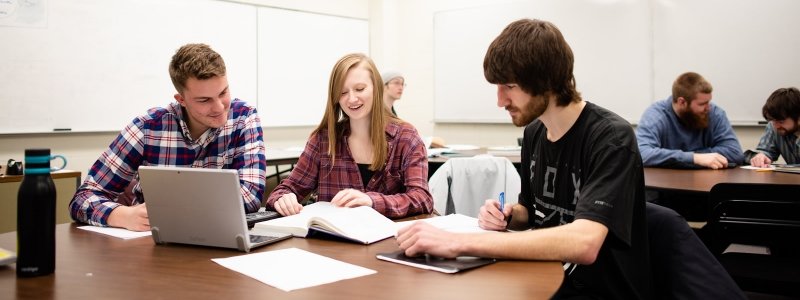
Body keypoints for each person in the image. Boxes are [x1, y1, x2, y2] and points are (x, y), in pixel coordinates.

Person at [396, 19, 652, 298]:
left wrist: (459, 243)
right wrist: (508, 216)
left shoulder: (611, 138)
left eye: (509, 85)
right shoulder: (535, 133)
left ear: (547, 82)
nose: (500, 100)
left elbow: (585, 243)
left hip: (601, 291)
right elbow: (530, 212)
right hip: (543, 278)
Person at [69, 43, 266, 232]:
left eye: (223, 92)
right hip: (152, 243)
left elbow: (250, 197)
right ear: (181, 100)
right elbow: (83, 198)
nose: (219, 107)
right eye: (204, 100)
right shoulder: (148, 127)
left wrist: (174, 211)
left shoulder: (243, 117)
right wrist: (123, 215)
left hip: (220, 238)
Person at [266, 53, 433, 219]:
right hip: (333, 243)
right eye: (342, 92)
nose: (352, 99)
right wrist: (283, 198)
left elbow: (422, 199)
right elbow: (284, 190)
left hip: (389, 242)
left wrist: (371, 201)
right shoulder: (323, 140)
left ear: (377, 88)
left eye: (360, 89)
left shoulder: (406, 138)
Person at [636, 72, 744, 169]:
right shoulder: (656, 116)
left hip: (706, 183)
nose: (708, 108)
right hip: (666, 185)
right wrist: (693, 158)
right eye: (702, 104)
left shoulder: (715, 113)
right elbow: (642, 154)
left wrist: (696, 157)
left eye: (709, 102)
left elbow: (735, 153)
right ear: (682, 102)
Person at [745, 87, 800, 167]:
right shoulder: (774, 126)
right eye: (773, 120)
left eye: (781, 121)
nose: (776, 125)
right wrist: (761, 157)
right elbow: (765, 151)